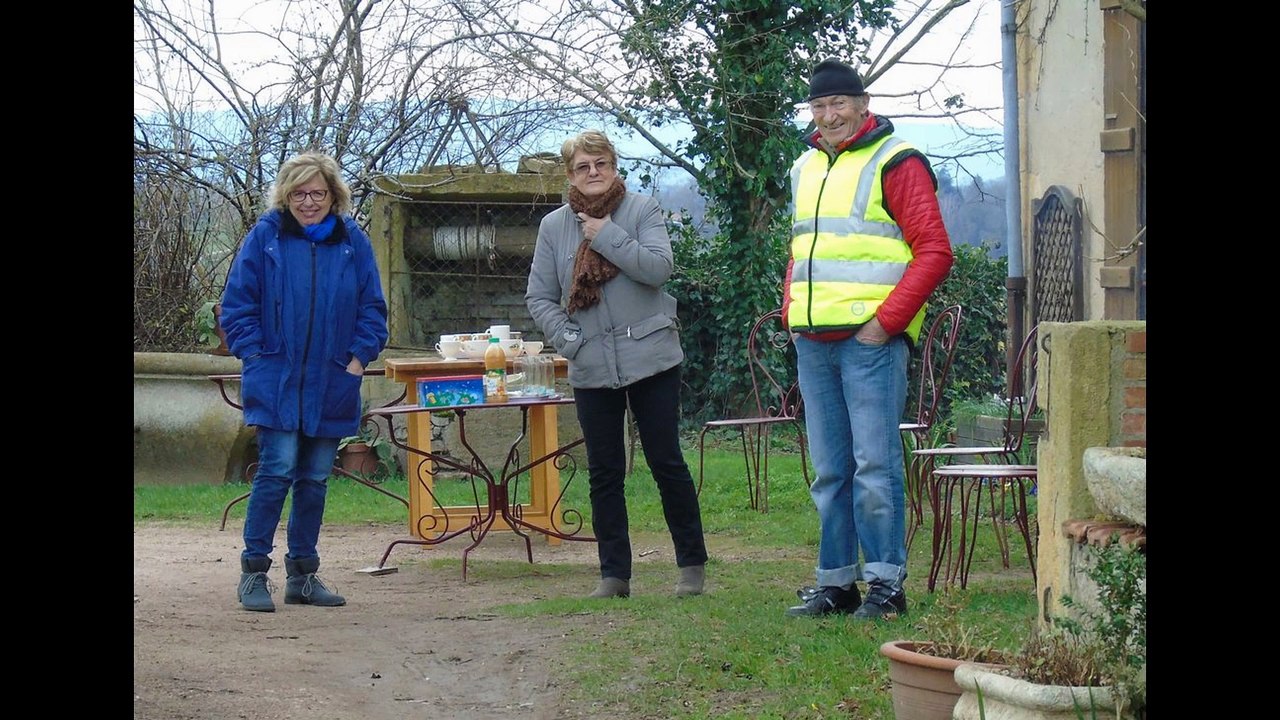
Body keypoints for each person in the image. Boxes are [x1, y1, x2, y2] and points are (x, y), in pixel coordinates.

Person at [782, 59, 954, 619]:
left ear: (862, 104)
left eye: (839, 104)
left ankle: (886, 584)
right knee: (831, 470)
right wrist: (791, 312)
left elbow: (934, 252)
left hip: (869, 342)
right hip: (814, 340)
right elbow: (802, 249)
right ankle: (836, 583)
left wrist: (886, 324)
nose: (829, 115)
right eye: (819, 106)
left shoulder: (897, 161)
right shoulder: (804, 166)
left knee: (874, 467)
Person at [525, 130, 708, 599]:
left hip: (652, 357)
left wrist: (608, 237)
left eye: (600, 164)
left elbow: (657, 269)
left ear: (614, 165)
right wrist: (569, 341)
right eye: (583, 167)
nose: (593, 173)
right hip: (591, 363)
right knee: (604, 470)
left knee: (666, 461)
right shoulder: (553, 227)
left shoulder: (641, 210)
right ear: (570, 174)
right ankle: (614, 576)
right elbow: (540, 296)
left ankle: (691, 566)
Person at [220, 151, 389, 612]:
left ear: (334, 195)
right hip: (276, 377)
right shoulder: (266, 237)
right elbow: (236, 307)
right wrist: (256, 355)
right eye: (298, 193)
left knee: (315, 478)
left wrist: (356, 361)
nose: (308, 201)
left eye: (317, 192)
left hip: (333, 380)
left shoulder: (352, 241)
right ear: (285, 195)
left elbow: (373, 310)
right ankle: (254, 573)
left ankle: (304, 576)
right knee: (275, 471)